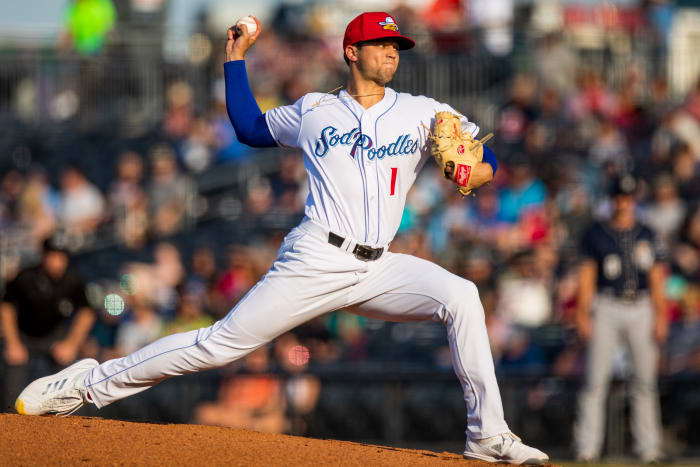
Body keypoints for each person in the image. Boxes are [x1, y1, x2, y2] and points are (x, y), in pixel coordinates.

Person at [15, 12, 548, 464]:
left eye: (396, 46)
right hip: (316, 256)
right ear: (351, 51)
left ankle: (488, 436)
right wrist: (234, 60)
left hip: (380, 265)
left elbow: (482, 155)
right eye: (381, 44)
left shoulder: (424, 111)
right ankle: (85, 384)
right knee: (217, 345)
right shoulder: (314, 109)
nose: (392, 52)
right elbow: (249, 127)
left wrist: (482, 168)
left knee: (463, 296)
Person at [574, 174, 667, 463]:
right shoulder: (596, 233)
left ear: (634, 199)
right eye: (619, 197)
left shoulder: (647, 233)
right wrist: (582, 313)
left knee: (644, 381)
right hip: (607, 304)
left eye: (628, 197)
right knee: (595, 380)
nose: (624, 202)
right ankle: (586, 448)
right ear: (612, 199)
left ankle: (649, 448)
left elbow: (656, 277)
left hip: (640, 305)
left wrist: (661, 314)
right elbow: (587, 276)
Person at [1, 239, 95, 411]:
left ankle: (64, 423)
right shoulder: (26, 277)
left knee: (68, 379)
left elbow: (86, 313)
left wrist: (71, 344)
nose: (57, 262)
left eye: (62, 257)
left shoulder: (73, 280)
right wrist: (12, 343)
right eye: (53, 257)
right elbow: (7, 308)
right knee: (11, 388)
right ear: (44, 256)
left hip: (54, 336)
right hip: (24, 336)